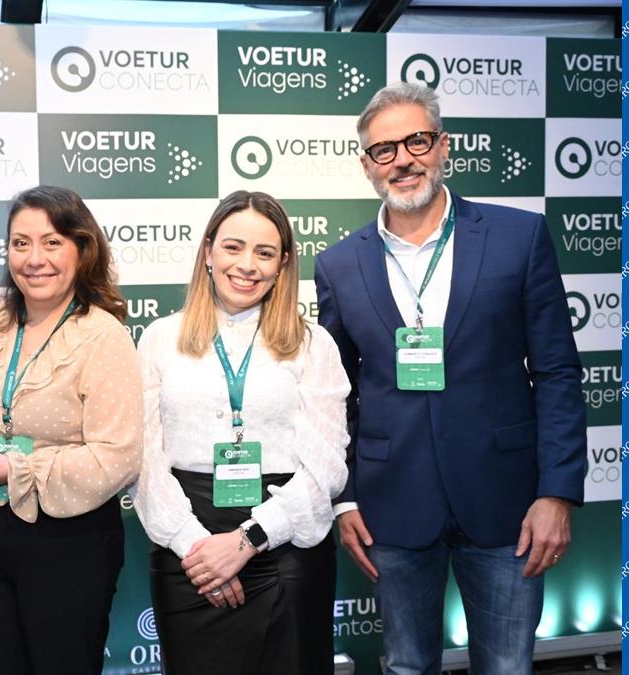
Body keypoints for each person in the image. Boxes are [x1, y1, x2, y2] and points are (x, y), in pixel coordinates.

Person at [313, 82, 586, 675]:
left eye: (417, 141)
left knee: (507, 666)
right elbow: (337, 397)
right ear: (367, 165)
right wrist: (345, 497)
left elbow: (558, 372)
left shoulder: (519, 237)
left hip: (508, 503)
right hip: (390, 507)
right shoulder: (337, 265)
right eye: (384, 150)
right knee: (407, 666)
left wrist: (557, 492)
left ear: (443, 146)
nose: (402, 159)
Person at [133, 191, 350, 675]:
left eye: (264, 252)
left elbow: (326, 468)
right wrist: (197, 548)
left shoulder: (313, 344)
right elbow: (143, 461)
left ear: (283, 263)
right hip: (187, 553)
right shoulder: (160, 339)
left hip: (287, 549)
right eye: (233, 247)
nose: (247, 265)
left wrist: (248, 539)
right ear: (208, 250)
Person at [0, 185, 142, 674]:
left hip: (69, 543)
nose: (34, 259)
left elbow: (118, 456)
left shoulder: (103, 335)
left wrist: (11, 469)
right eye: (20, 243)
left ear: (81, 249)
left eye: (52, 243)